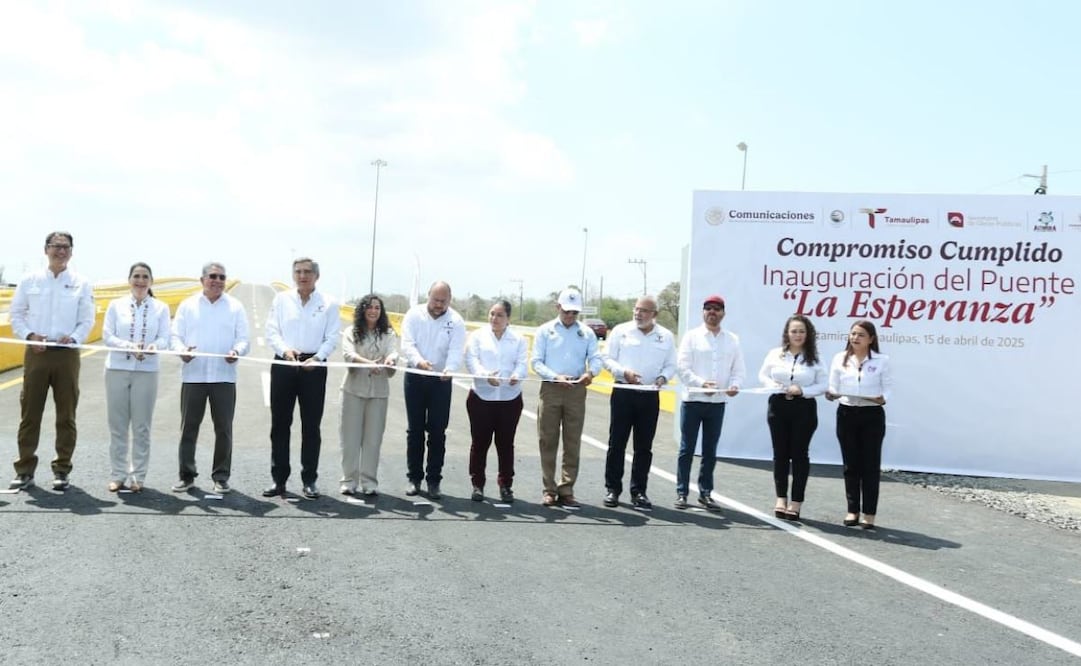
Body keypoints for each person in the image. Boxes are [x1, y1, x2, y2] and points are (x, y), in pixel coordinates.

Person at [8, 231, 95, 491]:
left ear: (71, 252)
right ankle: (24, 469)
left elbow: (87, 318)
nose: (61, 251)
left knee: (66, 414)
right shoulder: (29, 280)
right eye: (56, 246)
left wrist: (76, 337)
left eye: (66, 247)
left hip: (66, 354)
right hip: (36, 353)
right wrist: (29, 336)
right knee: (30, 413)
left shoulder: (81, 283)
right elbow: (16, 314)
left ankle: (62, 469)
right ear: (46, 249)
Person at [262, 258, 340, 500]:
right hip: (285, 362)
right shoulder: (281, 299)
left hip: (313, 367)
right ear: (293, 275)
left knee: (311, 426)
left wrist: (318, 357)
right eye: (298, 272)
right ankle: (279, 480)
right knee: (280, 425)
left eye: (307, 272)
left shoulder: (328, 303)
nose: (302, 276)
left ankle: (309, 480)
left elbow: (332, 336)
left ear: (317, 275)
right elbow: (271, 330)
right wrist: (286, 351)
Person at [170, 262, 249, 494]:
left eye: (222, 277)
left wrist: (237, 351)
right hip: (193, 375)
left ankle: (221, 476)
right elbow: (175, 335)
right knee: (189, 428)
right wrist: (182, 351)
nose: (217, 280)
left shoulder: (235, 307)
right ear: (202, 279)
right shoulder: (188, 305)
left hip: (224, 376)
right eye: (212, 276)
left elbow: (244, 339)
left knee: (224, 429)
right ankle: (186, 476)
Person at [601, 295, 676, 510]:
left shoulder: (666, 336)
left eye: (644, 310)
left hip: (649, 395)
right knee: (617, 443)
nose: (638, 314)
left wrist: (663, 378)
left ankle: (639, 491)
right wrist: (623, 372)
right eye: (636, 309)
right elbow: (607, 358)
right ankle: (613, 488)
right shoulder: (620, 331)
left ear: (655, 315)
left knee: (644, 446)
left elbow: (671, 365)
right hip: (624, 391)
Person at [102, 262, 172, 492]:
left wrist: (153, 346)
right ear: (129, 279)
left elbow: (165, 338)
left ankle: (138, 476)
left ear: (151, 281)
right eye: (136, 276)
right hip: (117, 369)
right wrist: (129, 346)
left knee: (142, 426)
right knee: (118, 425)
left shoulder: (160, 308)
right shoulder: (116, 305)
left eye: (145, 277)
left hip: (147, 371)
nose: (140, 281)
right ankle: (118, 474)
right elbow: (108, 336)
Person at [530, 287, 603, 508]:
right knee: (547, 439)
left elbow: (596, 358)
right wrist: (554, 376)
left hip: (576, 389)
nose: (570, 316)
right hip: (551, 387)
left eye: (574, 312)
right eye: (566, 311)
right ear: (558, 307)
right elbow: (536, 362)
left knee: (572, 441)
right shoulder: (545, 330)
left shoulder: (587, 333)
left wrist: (591, 373)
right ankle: (549, 489)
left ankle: (567, 488)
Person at [675, 294, 745, 511]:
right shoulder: (692, 336)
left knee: (710, 450)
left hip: (717, 403)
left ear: (723, 313)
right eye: (708, 309)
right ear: (703, 312)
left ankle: (705, 493)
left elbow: (739, 370)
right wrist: (701, 383)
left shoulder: (732, 339)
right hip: (694, 401)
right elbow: (682, 368)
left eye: (717, 309)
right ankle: (682, 492)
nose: (712, 312)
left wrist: (734, 385)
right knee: (687, 449)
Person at [400, 281, 466, 499]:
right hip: (416, 376)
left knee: (437, 432)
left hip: (441, 380)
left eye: (443, 301)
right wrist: (419, 362)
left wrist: (450, 369)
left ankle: (434, 480)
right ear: (428, 296)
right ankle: (414, 478)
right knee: (415, 430)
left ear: (450, 299)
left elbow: (457, 350)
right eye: (435, 300)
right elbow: (407, 345)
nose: (439, 305)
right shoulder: (413, 314)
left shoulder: (456, 320)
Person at [757, 314, 827, 521]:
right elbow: (763, 375)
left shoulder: (816, 358)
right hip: (778, 406)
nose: (798, 335)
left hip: (803, 409)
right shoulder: (775, 354)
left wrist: (802, 390)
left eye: (802, 331)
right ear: (787, 333)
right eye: (794, 331)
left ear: (808, 334)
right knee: (780, 454)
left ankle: (796, 502)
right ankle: (781, 498)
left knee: (799, 454)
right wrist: (773, 386)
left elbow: (824, 385)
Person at [826, 319, 893, 530]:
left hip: (871, 414)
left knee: (870, 466)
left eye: (861, 335)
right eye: (853, 334)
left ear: (871, 339)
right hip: (846, 413)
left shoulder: (882, 360)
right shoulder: (840, 358)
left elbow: (888, 388)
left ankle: (869, 514)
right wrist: (831, 393)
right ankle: (852, 510)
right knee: (850, 465)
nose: (855, 338)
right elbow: (832, 385)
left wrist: (882, 398)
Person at [464, 299, 527, 503]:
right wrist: (484, 375)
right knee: (480, 443)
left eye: (500, 315)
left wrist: (517, 375)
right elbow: (471, 360)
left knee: (505, 444)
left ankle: (506, 485)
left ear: (508, 318)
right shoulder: (477, 336)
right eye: (492, 314)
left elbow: (522, 363)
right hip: (482, 397)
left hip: (509, 398)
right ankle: (477, 485)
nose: (494, 318)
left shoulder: (518, 339)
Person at [339, 293, 398, 497]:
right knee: (350, 438)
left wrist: (389, 361)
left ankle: (369, 482)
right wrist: (370, 363)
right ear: (362, 310)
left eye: (377, 308)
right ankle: (349, 480)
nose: (373, 311)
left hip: (379, 393)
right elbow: (348, 355)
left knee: (373, 440)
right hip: (353, 390)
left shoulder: (388, 333)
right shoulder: (351, 332)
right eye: (369, 307)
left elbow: (392, 353)